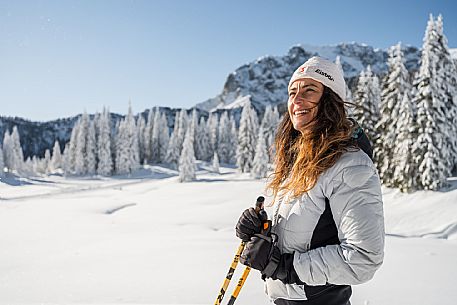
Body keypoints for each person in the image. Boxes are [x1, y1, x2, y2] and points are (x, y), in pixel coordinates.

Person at [235, 56, 384, 305]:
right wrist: (263, 233)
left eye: (309, 90)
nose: (297, 100)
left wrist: (282, 266)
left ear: (330, 100)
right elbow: (307, 233)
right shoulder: (302, 159)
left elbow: (363, 257)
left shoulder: (349, 164)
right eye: (292, 92)